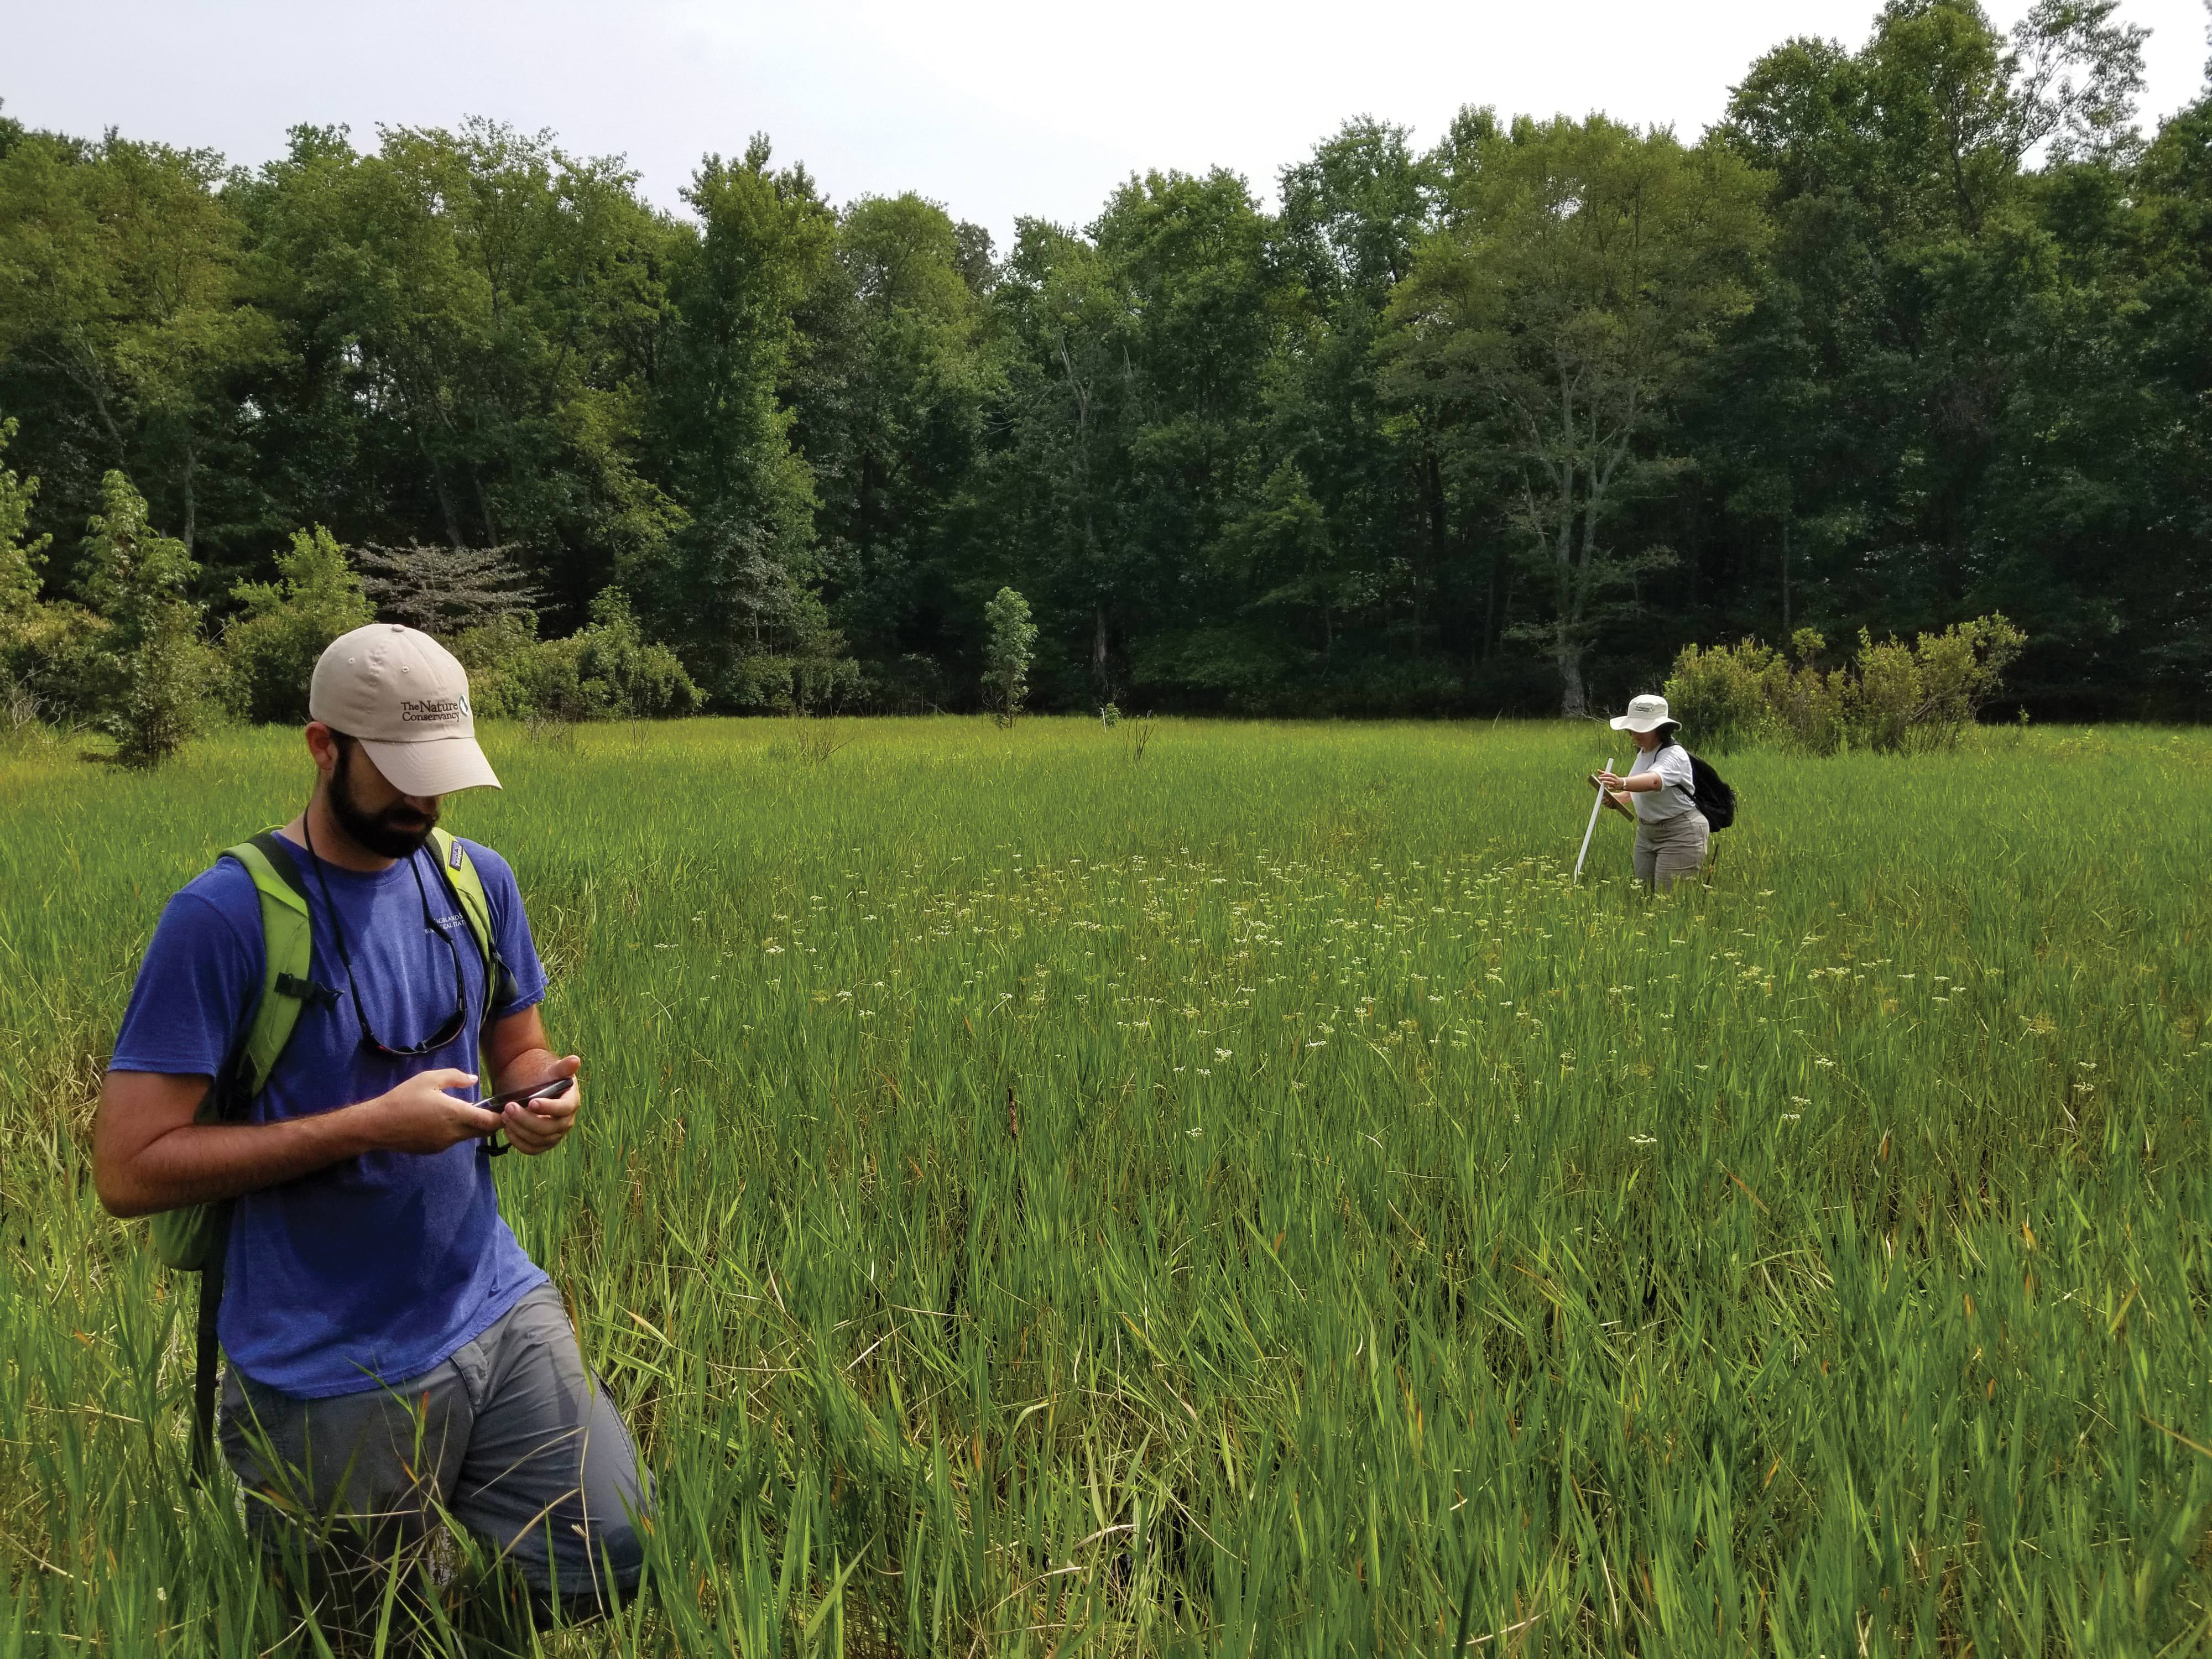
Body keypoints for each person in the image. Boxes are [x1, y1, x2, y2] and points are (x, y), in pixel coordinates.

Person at [93, 623, 649, 1635]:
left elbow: (521, 1046)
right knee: (364, 1630)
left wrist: (540, 1098)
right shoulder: (223, 919)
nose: (424, 803)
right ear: (322, 747)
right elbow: (129, 1170)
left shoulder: (475, 882)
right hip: (322, 1361)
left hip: (491, 1300)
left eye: (441, 779)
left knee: (606, 1552)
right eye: (399, 774)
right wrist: (366, 1128)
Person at [1593, 692, 1708, 892]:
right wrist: (1618, 799)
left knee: (1668, 902)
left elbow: (1654, 781)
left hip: (1680, 834)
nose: (1635, 734)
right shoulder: (1645, 752)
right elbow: (1636, 791)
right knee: (1642, 895)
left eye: (1642, 729)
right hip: (1647, 834)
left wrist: (1622, 782)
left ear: (1660, 728)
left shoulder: (1674, 755)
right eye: (1633, 728)